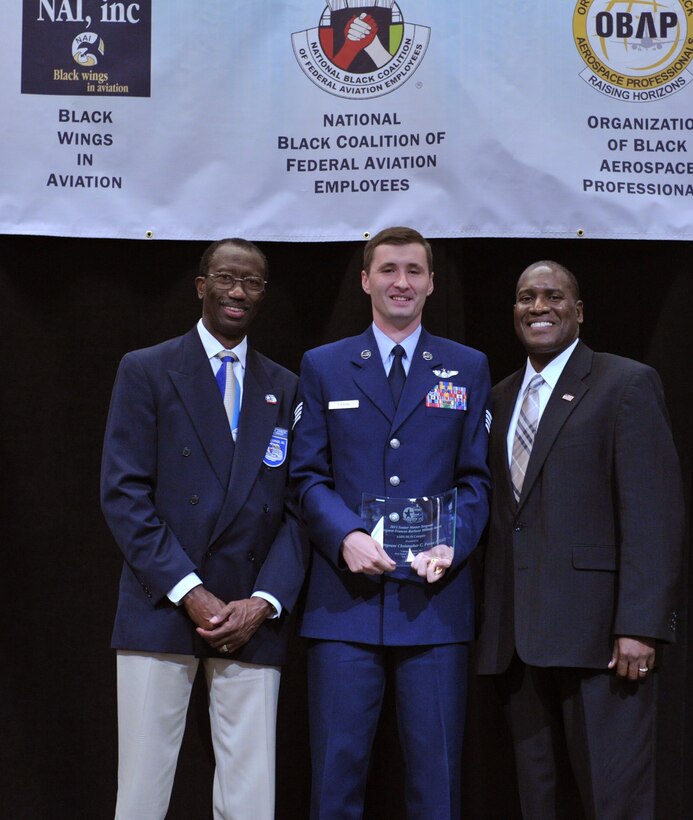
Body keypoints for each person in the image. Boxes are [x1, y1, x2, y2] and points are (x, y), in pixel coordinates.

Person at [100, 238, 307, 819]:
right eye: (226, 278)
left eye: (252, 282)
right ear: (201, 285)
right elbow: (123, 494)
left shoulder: (287, 387)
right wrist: (190, 592)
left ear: (263, 294)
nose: (238, 292)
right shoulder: (147, 369)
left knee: (250, 797)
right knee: (141, 791)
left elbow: (297, 511)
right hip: (160, 604)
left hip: (249, 613)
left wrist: (263, 602)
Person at [290, 226, 491, 819]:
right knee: (335, 780)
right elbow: (305, 475)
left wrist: (451, 543)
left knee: (437, 786)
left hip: (434, 607)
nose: (400, 282)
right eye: (387, 270)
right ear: (365, 281)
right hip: (344, 606)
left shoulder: (466, 366)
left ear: (431, 283)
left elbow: (477, 481)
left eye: (413, 271)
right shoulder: (324, 366)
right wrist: (344, 535)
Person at [476, 260, 684, 819]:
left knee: (613, 800)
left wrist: (639, 625)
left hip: (601, 641)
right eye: (525, 297)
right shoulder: (498, 396)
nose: (538, 307)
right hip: (518, 640)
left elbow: (654, 515)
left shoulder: (625, 382)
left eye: (552, 296)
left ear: (579, 310)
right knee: (536, 800)